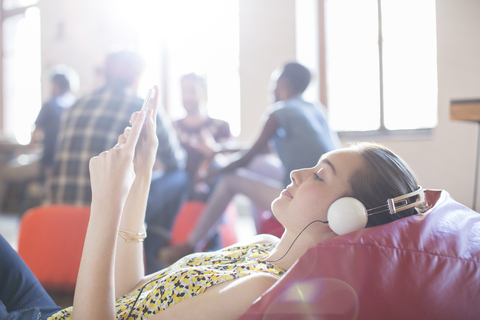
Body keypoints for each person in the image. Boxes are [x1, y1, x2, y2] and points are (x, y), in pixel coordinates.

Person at [38, 102, 419, 318]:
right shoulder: (261, 245)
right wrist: (141, 178)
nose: (298, 173)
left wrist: (106, 205)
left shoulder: (261, 286)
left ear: (346, 216)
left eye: (320, 176)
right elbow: (130, 296)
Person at [160, 62, 341, 262]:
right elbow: (259, 150)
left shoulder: (279, 112)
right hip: (331, 190)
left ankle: (189, 244)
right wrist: (219, 150)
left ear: (285, 84)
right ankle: (257, 235)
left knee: (230, 180)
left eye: (274, 82)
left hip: (309, 199)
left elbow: (246, 158)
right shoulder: (313, 109)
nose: (271, 88)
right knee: (257, 165)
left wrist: (211, 174)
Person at [44, 50, 188, 274]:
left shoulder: (76, 105)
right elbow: (176, 160)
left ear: (104, 74)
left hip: (58, 211)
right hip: (107, 214)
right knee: (180, 177)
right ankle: (151, 251)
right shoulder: (141, 109)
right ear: (134, 78)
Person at [173, 73, 232, 201]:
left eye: (192, 91)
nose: (187, 96)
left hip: (212, 186)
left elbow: (229, 164)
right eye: (184, 91)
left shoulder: (221, 126)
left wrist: (211, 150)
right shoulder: (172, 128)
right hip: (179, 187)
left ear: (204, 92)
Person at [31, 65, 78, 181]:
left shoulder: (50, 105)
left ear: (55, 84)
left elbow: (35, 136)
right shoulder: (76, 104)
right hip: (71, 159)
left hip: (51, 158)